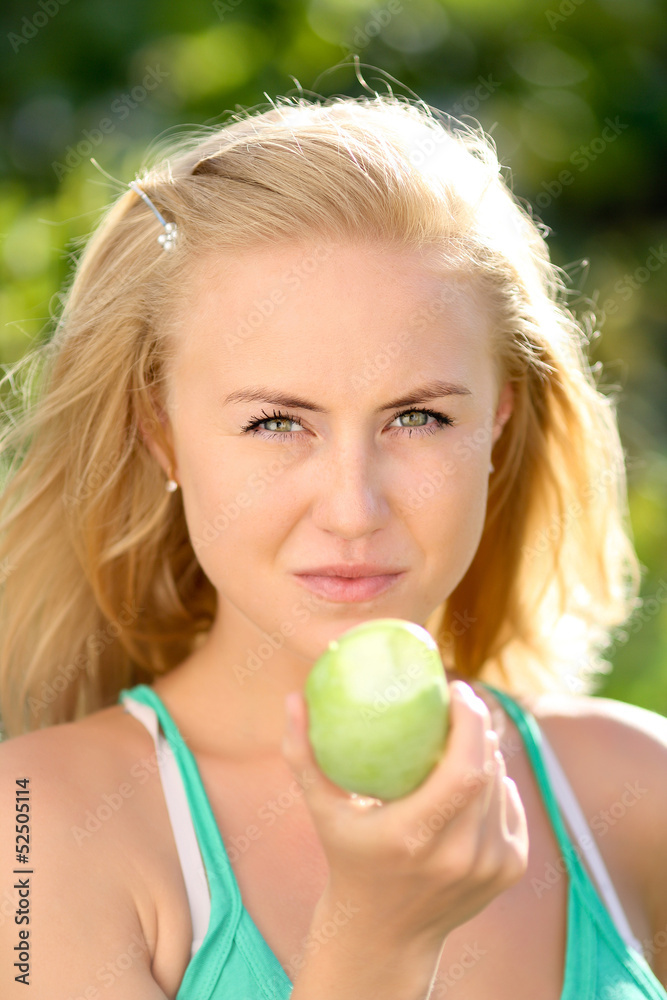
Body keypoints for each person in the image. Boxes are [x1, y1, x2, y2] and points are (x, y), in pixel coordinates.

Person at [0, 88, 665, 1000]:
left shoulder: (637, 789)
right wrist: (375, 944)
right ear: (161, 432)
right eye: (276, 423)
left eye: (419, 417)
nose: (353, 510)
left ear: (499, 421)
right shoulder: (32, 828)